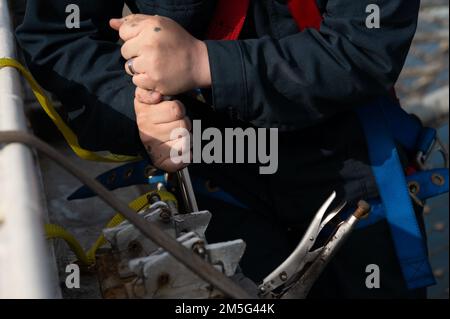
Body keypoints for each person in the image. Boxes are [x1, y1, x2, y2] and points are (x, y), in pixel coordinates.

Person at [16, 0, 426, 298]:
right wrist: (134, 110)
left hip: (353, 179)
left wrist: (202, 62)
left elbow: (367, 44)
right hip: (211, 183)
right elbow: (59, 35)